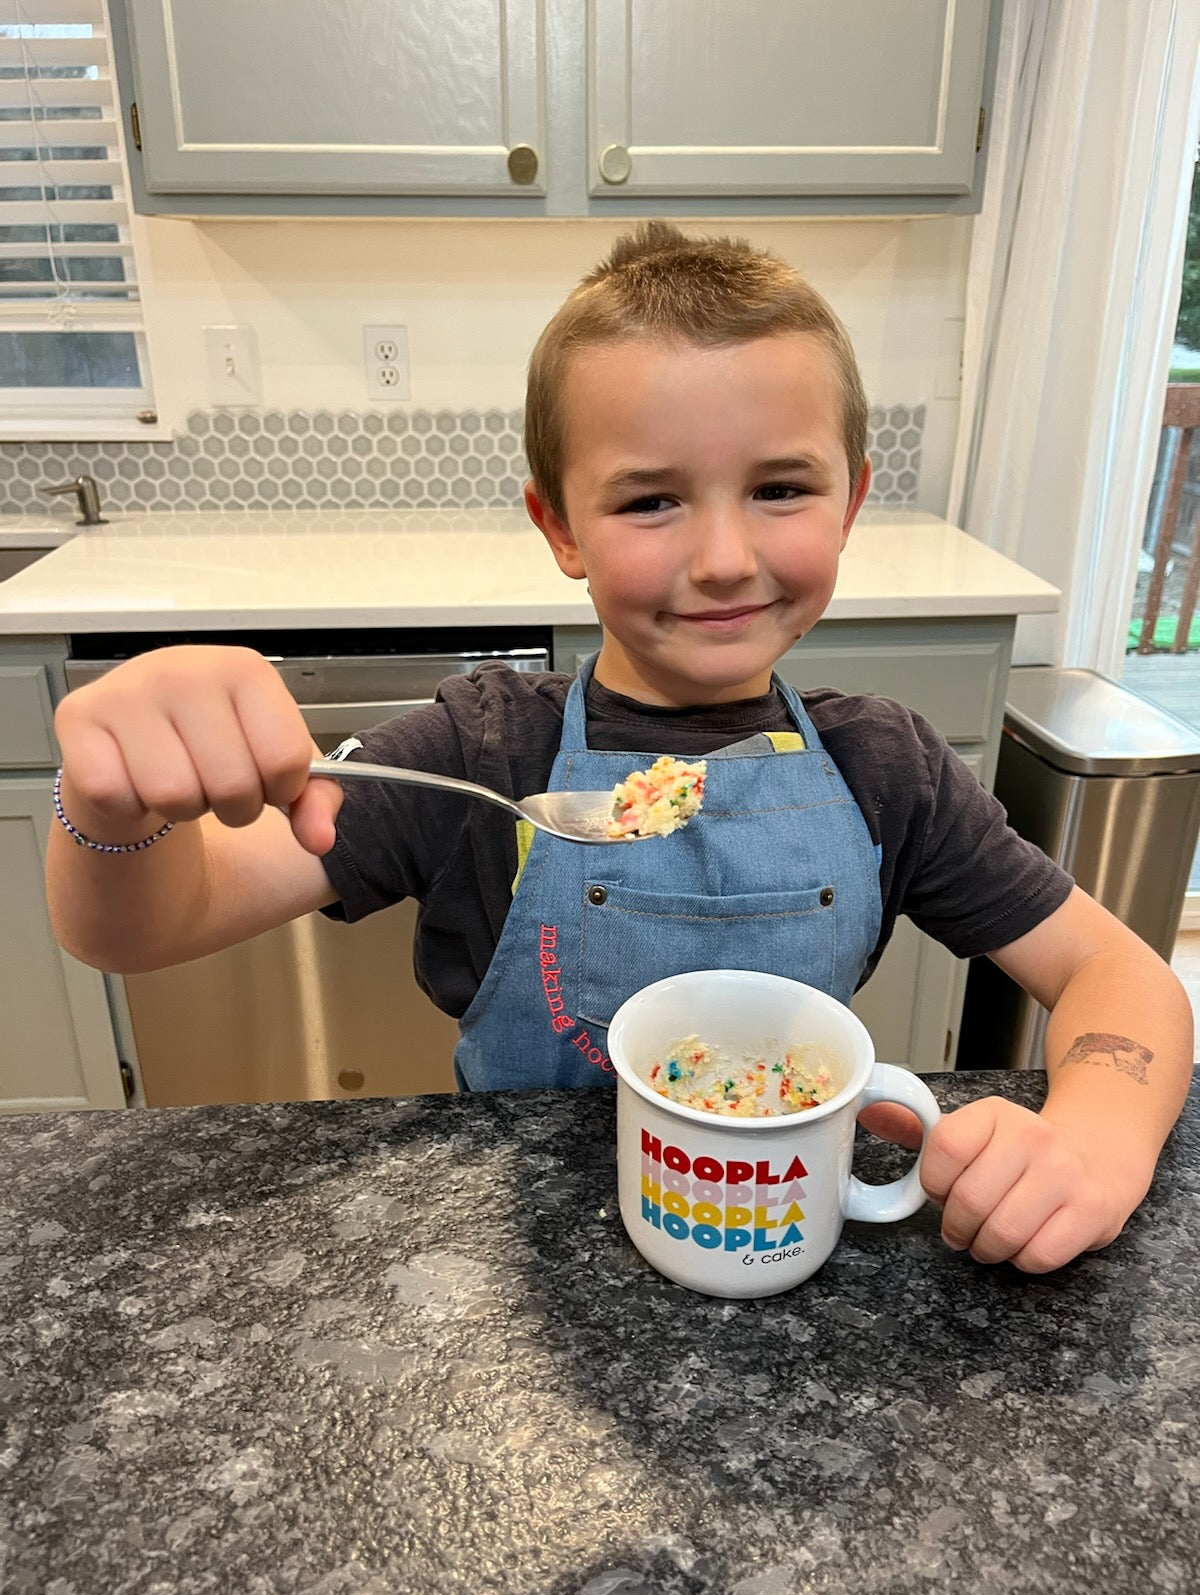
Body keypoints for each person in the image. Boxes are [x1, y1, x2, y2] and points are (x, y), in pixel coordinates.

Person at [47, 222, 1193, 1276]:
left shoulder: (887, 768)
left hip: (787, 1243)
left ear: (850, 506)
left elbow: (1124, 979)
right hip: (509, 1269)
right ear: (559, 528)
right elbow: (147, 926)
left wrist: (1094, 1135)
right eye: (650, 501)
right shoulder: (484, 753)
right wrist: (109, 810)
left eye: (781, 487)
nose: (726, 556)